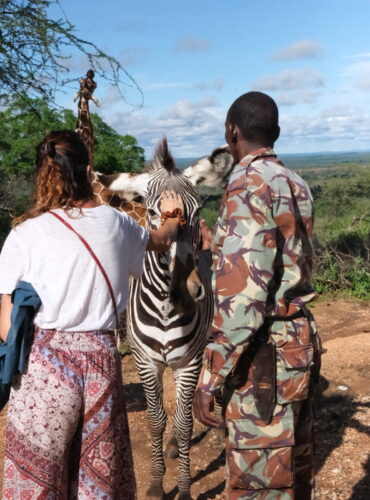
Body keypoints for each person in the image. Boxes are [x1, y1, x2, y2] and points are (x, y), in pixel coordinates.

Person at [0, 130, 183, 499]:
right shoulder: (117, 224)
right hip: (101, 361)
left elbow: (5, 325)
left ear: (42, 175)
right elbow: (161, 241)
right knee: (98, 480)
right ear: (87, 170)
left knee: (36, 480)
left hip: (44, 369)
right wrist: (173, 217)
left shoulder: (24, 235)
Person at [193, 92, 322, 499]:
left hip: (263, 359)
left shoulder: (247, 185)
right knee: (294, 476)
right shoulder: (294, 182)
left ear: (232, 133)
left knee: (260, 486)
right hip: (298, 345)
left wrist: (210, 377)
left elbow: (243, 303)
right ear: (276, 134)